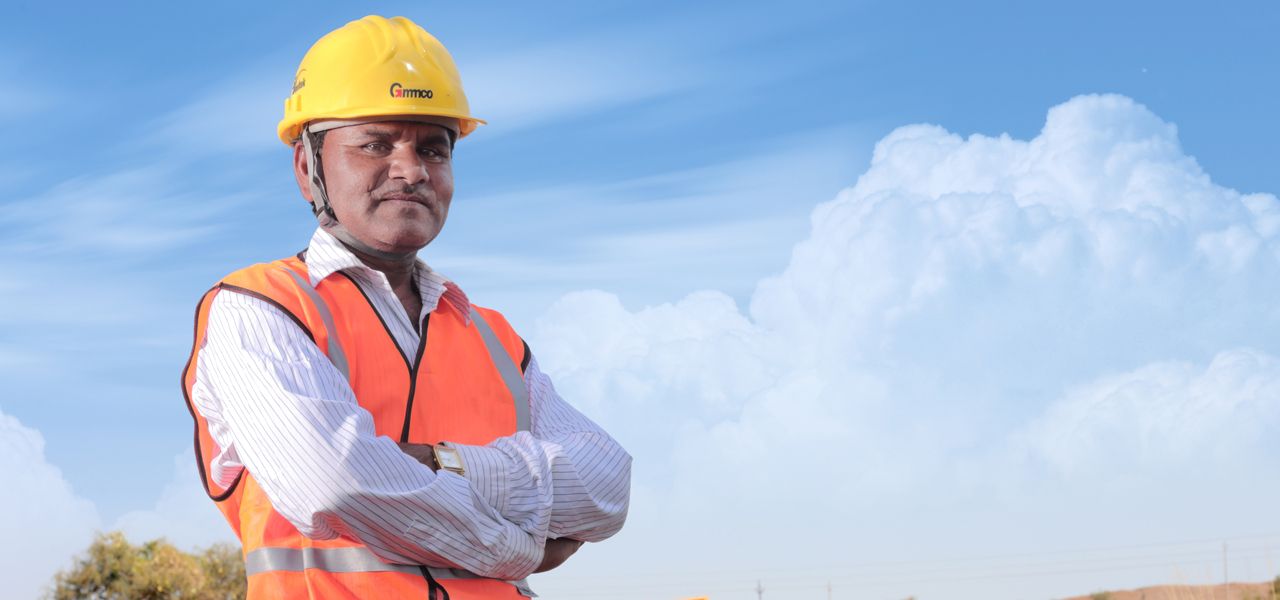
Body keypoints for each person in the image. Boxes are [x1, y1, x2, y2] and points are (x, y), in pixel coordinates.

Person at [181, 15, 631, 599]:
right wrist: (519, 549)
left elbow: (605, 488)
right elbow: (335, 482)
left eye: (433, 149)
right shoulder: (259, 309)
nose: (411, 169)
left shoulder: (491, 336)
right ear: (307, 168)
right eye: (374, 143)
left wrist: (442, 463)